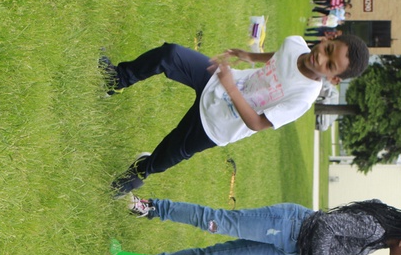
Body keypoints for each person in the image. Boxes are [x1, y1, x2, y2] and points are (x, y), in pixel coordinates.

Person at [100, 33, 369, 194]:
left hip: (217, 125)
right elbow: (283, 56)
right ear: (328, 38)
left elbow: (257, 123)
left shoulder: (303, 97)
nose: (320, 58)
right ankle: (116, 80)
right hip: (217, 82)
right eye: (328, 50)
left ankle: (141, 171)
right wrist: (251, 57)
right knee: (170, 55)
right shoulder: (296, 43)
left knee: (169, 153)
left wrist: (231, 86)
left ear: (333, 79)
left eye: (330, 65)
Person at [126, 197, 401, 255]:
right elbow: (325, 227)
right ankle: (151, 207)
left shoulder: (375, 244)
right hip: (288, 224)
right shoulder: (375, 227)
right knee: (216, 222)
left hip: (288, 252)